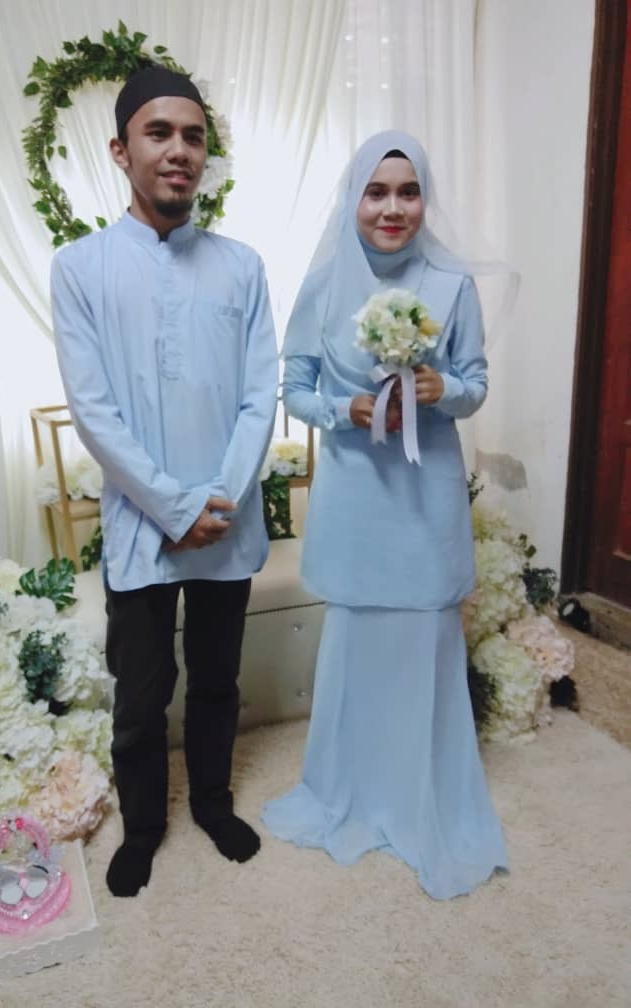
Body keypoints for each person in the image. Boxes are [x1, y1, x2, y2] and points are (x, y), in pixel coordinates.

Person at [260, 130, 509, 900]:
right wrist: (348, 409)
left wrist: (444, 390)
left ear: (425, 199)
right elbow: (294, 386)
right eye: (377, 191)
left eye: (408, 191)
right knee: (360, 630)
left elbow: (476, 382)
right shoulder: (324, 282)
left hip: (425, 488)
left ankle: (420, 789)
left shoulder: (451, 285)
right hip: (356, 487)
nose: (392, 208)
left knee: (425, 627)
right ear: (354, 199)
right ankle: (350, 785)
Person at [51, 66, 278, 897]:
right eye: (159, 133)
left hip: (228, 517)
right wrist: (175, 507)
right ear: (121, 150)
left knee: (218, 680)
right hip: (143, 523)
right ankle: (144, 826)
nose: (179, 150)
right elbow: (93, 411)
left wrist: (218, 500)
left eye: (193, 136)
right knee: (142, 696)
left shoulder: (241, 266)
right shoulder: (80, 267)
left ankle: (213, 803)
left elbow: (260, 395)